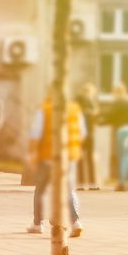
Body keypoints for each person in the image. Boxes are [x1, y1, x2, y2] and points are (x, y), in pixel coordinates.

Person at [27, 90, 86, 237]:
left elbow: (35, 133)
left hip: (49, 156)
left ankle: (37, 224)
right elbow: (82, 132)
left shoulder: (45, 109)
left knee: (41, 189)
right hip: (69, 156)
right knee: (68, 188)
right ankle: (76, 222)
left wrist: (33, 153)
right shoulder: (74, 109)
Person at [77, 83, 100, 190]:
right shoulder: (85, 101)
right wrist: (93, 113)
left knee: (82, 158)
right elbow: (89, 115)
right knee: (88, 158)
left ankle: (82, 183)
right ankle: (90, 183)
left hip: (83, 133)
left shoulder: (80, 101)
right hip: (86, 133)